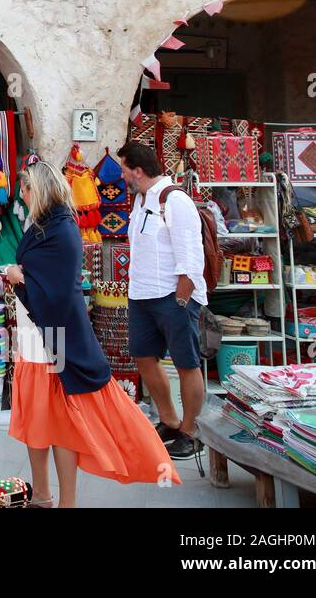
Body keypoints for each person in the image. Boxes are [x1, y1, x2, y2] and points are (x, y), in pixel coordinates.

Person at [4, 159, 177, 507]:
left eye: (25, 187)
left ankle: (65, 502)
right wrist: (21, 277)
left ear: (39, 189)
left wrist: (19, 279)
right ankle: (41, 495)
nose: (21, 193)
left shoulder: (62, 228)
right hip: (34, 333)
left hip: (55, 336)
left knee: (60, 424)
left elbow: (61, 289)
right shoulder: (41, 224)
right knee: (35, 419)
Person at [118, 142, 207, 460]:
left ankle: (191, 430)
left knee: (186, 363)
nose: (123, 174)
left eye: (125, 169)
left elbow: (191, 254)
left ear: (137, 170)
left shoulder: (175, 200)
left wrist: (183, 299)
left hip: (173, 296)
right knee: (143, 357)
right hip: (142, 295)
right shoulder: (141, 200)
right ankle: (170, 420)